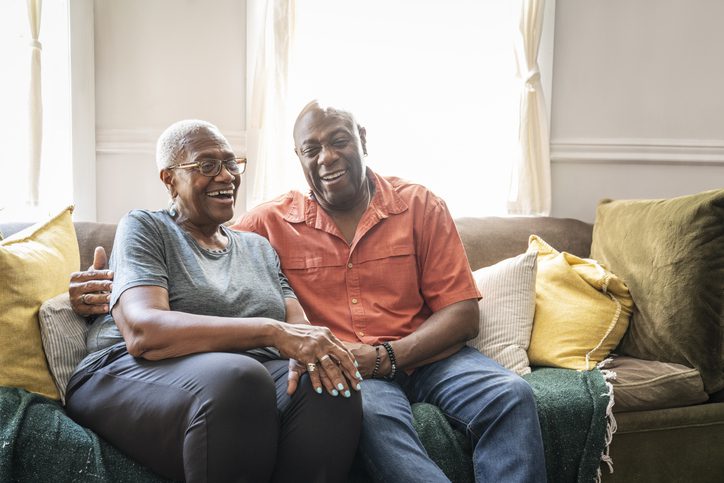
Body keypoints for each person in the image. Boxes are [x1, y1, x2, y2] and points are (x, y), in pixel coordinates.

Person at [72, 102, 547, 482]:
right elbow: (166, 274)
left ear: (362, 140)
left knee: (503, 393)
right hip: (334, 368)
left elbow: (458, 313)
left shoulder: (411, 207)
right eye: (311, 149)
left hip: (426, 357)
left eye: (339, 141)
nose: (327, 157)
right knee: (323, 391)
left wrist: (363, 354)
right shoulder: (255, 225)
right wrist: (93, 289)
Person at [65, 119, 362, 483]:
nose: (226, 176)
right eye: (207, 165)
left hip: (239, 379)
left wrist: (313, 350)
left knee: (330, 382)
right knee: (241, 378)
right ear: (169, 179)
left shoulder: (258, 248)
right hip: (125, 370)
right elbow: (144, 331)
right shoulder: (146, 227)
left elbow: (298, 328)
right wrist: (270, 332)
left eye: (231, 163)